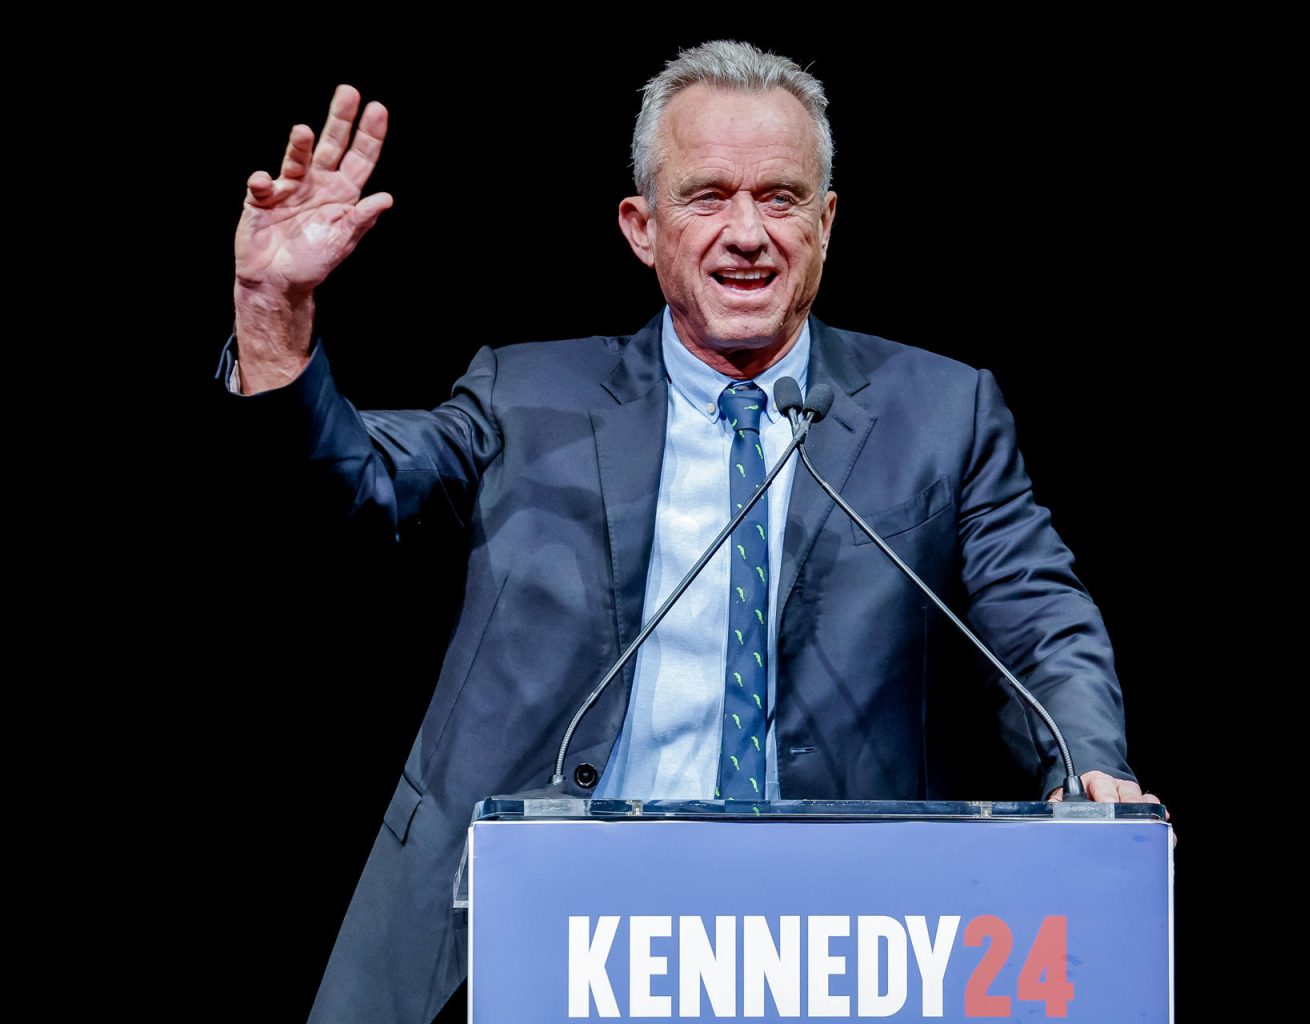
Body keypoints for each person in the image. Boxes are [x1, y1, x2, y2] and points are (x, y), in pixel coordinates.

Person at [218, 40, 1160, 1024]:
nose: (747, 232)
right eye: (708, 196)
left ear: (827, 223)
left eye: (782, 198)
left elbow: (1043, 624)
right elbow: (347, 489)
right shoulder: (528, 395)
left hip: (819, 945)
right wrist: (272, 309)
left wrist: (1092, 765)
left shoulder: (941, 413)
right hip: (538, 926)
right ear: (642, 225)